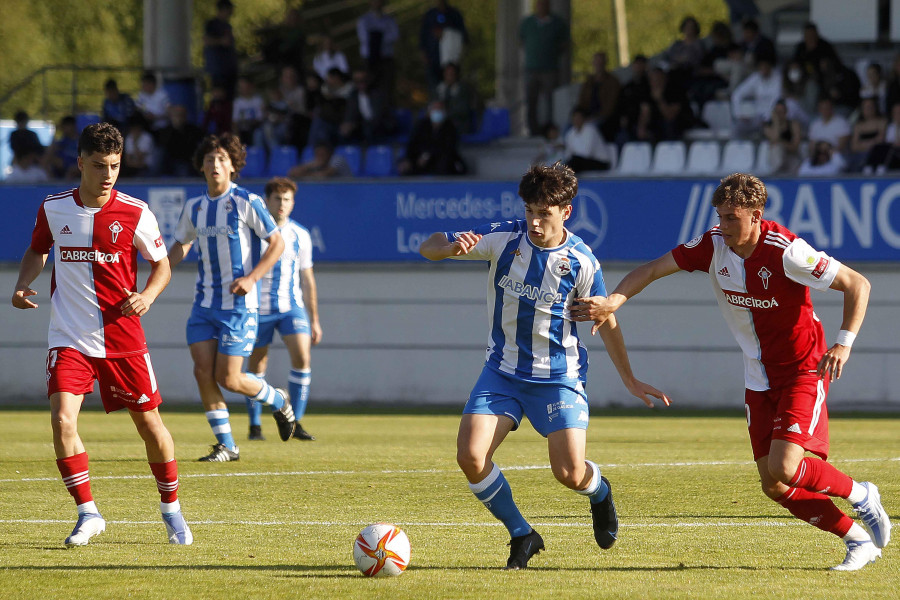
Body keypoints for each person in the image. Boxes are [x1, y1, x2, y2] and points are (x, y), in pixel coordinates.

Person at [570, 172, 891, 572]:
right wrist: (614, 300)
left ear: (756, 215)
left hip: (802, 370)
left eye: (731, 218)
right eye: (720, 217)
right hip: (758, 377)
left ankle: (861, 495)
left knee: (785, 466)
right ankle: (855, 538)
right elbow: (652, 269)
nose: (722, 226)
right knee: (773, 484)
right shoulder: (713, 245)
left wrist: (843, 342)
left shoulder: (788, 251)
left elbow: (856, 284)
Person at [419, 162, 669, 569]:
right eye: (530, 211)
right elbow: (426, 246)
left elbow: (605, 317)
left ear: (565, 212)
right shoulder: (503, 238)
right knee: (470, 454)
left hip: (558, 379)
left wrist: (629, 378)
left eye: (545, 214)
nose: (535, 222)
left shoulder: (582, 262)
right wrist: (449, 248)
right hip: (501, 373)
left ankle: (600, 491)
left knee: (569, 474)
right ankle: (522, 533)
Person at [10, 122, 192, 546]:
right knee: (61, 418)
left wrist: (147, 295)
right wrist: (22, 284)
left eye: (114, 165)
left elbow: (161, 265)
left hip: (122, 338)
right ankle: (88, 512)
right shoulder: (54, 208)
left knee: (150, 426)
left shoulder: (135, 212)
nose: (108, 174)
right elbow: (37, 249)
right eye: (98, 165)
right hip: (69, 336)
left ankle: (172, 511)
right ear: (79, 163)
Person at [167, 133, 295, 462]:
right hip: (204, 305)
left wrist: (252, 278)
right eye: (209, 159)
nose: (215, 164)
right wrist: (157, 274)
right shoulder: (194, 207)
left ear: (233, 166)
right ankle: (227, 445)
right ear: (201, 166)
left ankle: (278, 399)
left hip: (238, 307)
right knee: (202, 372)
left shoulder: (246, 201)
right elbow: (181, 244)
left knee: (230, 378)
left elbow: (277, 242)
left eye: (222, 159)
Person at [244, 178, 322, 441]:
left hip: (291, 308)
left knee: (303, 357)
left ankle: (296, 421)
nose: (281, 204)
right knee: (256, 365)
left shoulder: (300, 234)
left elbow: (307, 279)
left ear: (293, 203)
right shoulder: (254, 233)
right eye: (277, 198)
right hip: (258, 308)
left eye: (287, 199)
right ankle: (255, 426)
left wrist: (315, 320)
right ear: (267, 201)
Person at [520, 0, 570, 136]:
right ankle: (533, 130)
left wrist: (552, 53)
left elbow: (565, 43)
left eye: (544, 4)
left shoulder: (558, 23)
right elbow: (521, 41)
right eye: (539, 4)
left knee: (550, 101)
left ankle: (549, 130)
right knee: (531, 100)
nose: (541, 6)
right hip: (531, 69)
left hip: (550, 69)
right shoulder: (527, 22)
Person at [398, 100, 466, 176]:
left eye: (440, 109)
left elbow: (448, 147)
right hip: (421, 159)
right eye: (434, 109)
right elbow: (412, 144)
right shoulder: (421, 126)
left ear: (444, 112)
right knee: (406, 168)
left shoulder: (450, 127)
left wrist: (428, 155)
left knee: (447, 164)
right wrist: (408, 159)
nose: (437, 112)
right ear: (429, 112)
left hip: (442, 160)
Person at [420, 0, 469, 92]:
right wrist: (424, 53)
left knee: (453, 88)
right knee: (434, 87)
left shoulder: (454, 14)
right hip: (433, 58)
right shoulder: (430, 14)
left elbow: (463, 36)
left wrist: (446, 33)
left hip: (450, 62)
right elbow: (423, 37)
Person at [356, 0, 399, 97]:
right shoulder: (363, 20)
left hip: (386, 58)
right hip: (369, 59)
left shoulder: (389, 20)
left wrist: (379, 37)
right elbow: (364, 38)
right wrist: (378, 37)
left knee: (387, 86)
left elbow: (394, 35)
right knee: (369, 86)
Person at [575, 52, 621, 141]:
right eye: (596, 62)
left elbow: (610, 107)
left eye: (601, 62)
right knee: (568, 128)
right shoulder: (588, 82)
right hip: (586, 116)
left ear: (605, 63)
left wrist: (593, 118)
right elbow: (581, 102)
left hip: (603, 118)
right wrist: (579, 116)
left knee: (590, 128)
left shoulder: (612, 81)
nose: (598, 64)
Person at [157, 105, 205, 178]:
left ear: (185, 117)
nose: (178, 118)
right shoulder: (165, 131)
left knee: (183, 170)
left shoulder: (193, 130)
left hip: (186, 162)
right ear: (171, 117)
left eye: (181, 115)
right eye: (176, 116)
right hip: (168, 162)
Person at [203, 0, 238, 99]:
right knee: (219, 95)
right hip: (218, 68)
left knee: (230, 96)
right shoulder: (212, 24)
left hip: (230, 67)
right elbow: (206, 40)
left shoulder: (227, 26)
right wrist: (221, 41)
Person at [564, 107, 611, 173]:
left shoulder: (591, 131)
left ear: (584, 119)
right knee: (568, 164)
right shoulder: (570, 133)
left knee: (575, 162)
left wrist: (574, 157)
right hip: (581, 162)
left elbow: (587, 153)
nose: (576, 120)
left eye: (579, 118)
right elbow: (568, 153)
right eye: (574, 118)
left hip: (600, 162)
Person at [762, 100, 802, 175]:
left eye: (781, 112)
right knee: (777, 148)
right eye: (777, 112)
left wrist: (782, 144)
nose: (779, 115)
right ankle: (776, 172)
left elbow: (795, 146)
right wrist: (776, 122)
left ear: (786, 112)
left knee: (779, 147)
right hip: (775, 158)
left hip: (791, 156)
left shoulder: (793, 125)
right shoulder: (768, 126)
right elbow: (774, 138)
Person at [287, 142, 353, 180]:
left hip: (347, 190)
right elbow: (292, 173)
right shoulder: (315, 162)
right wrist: (309, 166)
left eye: (322, 154)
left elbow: (324, 175)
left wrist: (304, 175)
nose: (320, 157)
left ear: (329, 154)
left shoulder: (338, 160)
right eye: (317, 154)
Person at [43, 115, 81, 180]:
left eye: (65, 126)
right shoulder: (62, 141)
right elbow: (47, 158)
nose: (63, 129)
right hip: (63, 170)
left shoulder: (82, 140)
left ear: (72, 126)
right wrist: (55, 135)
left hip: (79, 170)